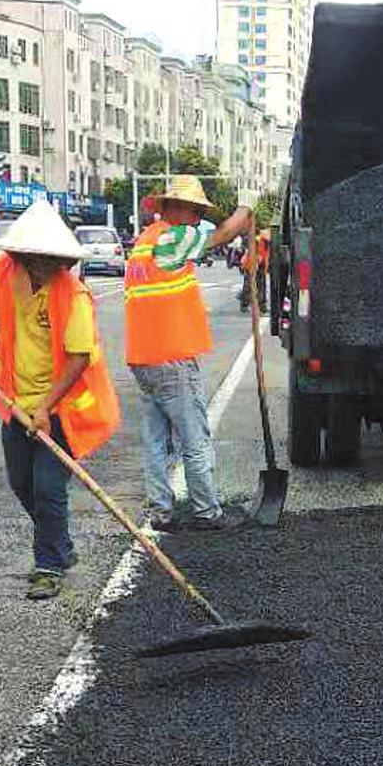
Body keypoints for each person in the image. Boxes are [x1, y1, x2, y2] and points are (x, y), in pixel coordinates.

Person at [0, 201, 122, 600]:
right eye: (41, 259)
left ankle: (47, 565)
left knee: (47, 487)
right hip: (14, 399)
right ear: (21, 255)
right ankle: (59, 544)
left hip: (61, 405)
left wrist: (46, 407)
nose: (49, 268)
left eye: (55, 260)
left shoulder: (73, 294)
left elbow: (79, 356)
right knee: (21, 483)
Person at [126, 175, 256, 531]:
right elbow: (223, 234)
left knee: (155, 439)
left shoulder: (145, 241)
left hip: (144, 356)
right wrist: (247, 207)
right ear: (170, 209)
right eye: (192, 209)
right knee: (194, 438)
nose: (197, 217)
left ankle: (161, 511)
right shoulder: (174, 237)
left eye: (199, 211)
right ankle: (207, 511)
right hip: (171, 357)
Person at [239, 226, 271, 313]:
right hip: (251, 263)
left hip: (260, 263)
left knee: (260, 284)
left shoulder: (264, 240)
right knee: (249, 284)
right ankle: (245, 302)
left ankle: (261, 305)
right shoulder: (254, 239)